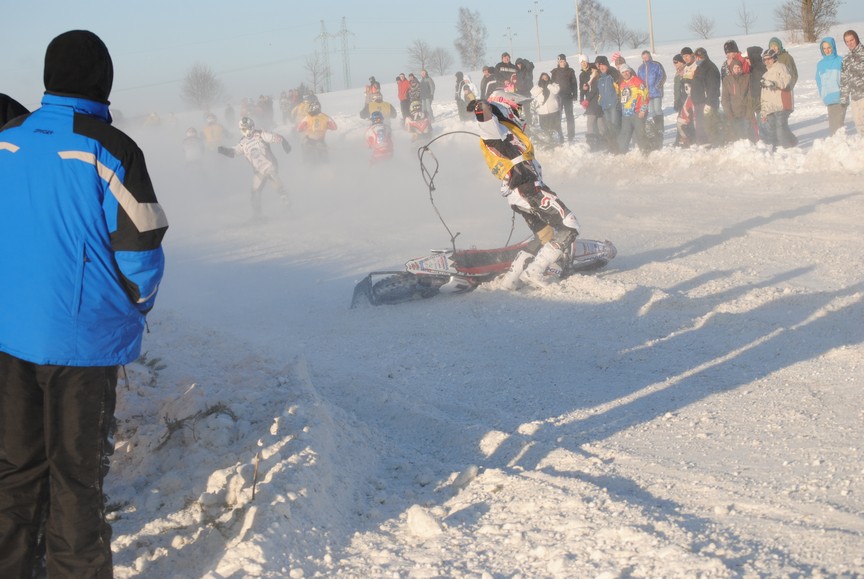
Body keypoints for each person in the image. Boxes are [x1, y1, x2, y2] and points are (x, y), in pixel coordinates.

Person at [0, 30, 168, 579]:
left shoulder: (8, 139)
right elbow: (141, 245)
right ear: (103, 80)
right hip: (81, 344)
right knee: (76, 477)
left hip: (8, 335)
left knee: (15, 470)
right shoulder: (110, 148)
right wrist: (135, 306)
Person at [466, 98, 581, 290]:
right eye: (516, 109)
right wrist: (483, 107)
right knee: (570, 224)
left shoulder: (507, 131)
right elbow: (484, 118)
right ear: (504, 109)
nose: (520, 114)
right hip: (527, 188)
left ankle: (510, 280)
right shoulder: (496, 129)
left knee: (545, 234)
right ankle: (534, 271)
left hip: (520, 191)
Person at [218, 116, 292, 216]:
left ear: (252, 126)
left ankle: (288, 205)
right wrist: (224, 150)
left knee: (273, 179)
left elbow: (275, 137)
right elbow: (234, 152)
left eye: (249, 127)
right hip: (258, 171)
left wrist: (284, 143)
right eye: (244, 129)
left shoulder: (261, 134)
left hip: (269, 165)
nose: (247, 130)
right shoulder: (242, 143)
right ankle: (257, 216)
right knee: (254, 193)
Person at [759, 48, 796, 151]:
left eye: (769, 59)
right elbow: (764, 96)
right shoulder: (765, 75)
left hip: (781, 105)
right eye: (765, 59)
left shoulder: (781, 67)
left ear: (774, 58)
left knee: (780, 129)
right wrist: (763, 112)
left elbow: (786, 80)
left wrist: (774, 84)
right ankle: (776, 152)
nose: (767, 61)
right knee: (772, 131)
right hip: (770, 108)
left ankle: (788, 150)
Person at [768, 37, 798, 145]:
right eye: (771, 46)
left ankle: (788, 143)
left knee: (782, 122)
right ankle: (789, 141)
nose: (774, 48)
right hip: (774, 95)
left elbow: (794, 74)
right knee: (779, 122)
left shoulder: (786, 57)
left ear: (779, 46)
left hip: (785, 92)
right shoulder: (769, 59)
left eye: (775, 46)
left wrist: (788, 87)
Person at [816, 37, 847, 135]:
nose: (827, 50)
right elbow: (818, 80)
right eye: (824, 48)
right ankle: (838, 146)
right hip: (829, 99)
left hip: (840, 97)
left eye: (829, 47)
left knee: (837, 127)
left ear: (833, 47)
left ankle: (840, 146)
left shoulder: (841, 60)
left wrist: (844, 94)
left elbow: (847, 78)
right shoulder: (820, 64)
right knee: (833, 126)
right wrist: (823, 94)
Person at [690, 47, 722, 146]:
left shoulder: (710, 68)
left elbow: (713, 87)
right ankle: (702, 144)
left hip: (706, 102)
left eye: (698, 57)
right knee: (700, 126)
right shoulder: (700, 67)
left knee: (707, 126)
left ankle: (709, 145)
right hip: (699, 102)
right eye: (696, 57)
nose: (697, 59)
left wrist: (709, 103)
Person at [637, 50, 666, 150]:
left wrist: (658, 85)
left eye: (647, 56)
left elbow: (661, 75)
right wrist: (641, 89)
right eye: (643, 57)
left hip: (656, 92)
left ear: (649, 56)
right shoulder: (640, 68)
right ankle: (656, 129)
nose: (645, 58)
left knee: (658, 109)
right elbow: (639, 80)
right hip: (647, 94)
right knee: (652, 111)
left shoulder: (656, 65)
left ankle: (660, 127)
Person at [617, 64, 649, 154]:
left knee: (640, 134)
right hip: (626, 114)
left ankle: (646, 153)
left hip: (637, 112)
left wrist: (643, 110)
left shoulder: (638, 81)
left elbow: (645, 96)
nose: (625, 73)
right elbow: (623, 100)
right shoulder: (622, 84)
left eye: (627, 71)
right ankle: (622, 153)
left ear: (630, 71)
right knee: (624, 134)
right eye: (623, 72)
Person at [721, 59, 755, 142]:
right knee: (735, 137)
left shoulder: (747, 78)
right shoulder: (727, 80)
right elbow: (725, 98)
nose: (737, 70)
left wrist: (749, 113)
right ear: (732, 69)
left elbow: (750, 96)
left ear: (742, 68)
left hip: (745, 112)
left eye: (739, 67)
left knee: (747, 137)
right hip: (733, 113)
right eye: (735, 68)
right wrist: (729, 114)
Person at [595, 55, 621, 153]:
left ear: (607, 65)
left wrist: (617, 100)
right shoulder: (600, 79)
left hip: (613, 105)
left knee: (614, 125)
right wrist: (600, 102)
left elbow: (618, 89)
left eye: (604, 65)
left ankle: (617, 146)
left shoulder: (612, 76)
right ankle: (611, 146)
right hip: (605, 106)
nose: (602, 67)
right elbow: (600, 93)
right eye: (600, 66)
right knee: (609, 126)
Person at [840, 30, 864, 135]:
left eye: (851, 40)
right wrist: (844, 97)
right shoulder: (846, 58)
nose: (850, 43)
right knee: (859, 124)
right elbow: (844, 79)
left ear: (856, 38)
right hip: (854, 97)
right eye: (847, 41)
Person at [550, 53, 578, 142]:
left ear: (566, 61)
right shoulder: (554, 72)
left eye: (564, 61)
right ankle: (559, 134)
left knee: (569, 116)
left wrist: (575, 95)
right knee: (558, 117)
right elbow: (552, 85)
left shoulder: (570, 71)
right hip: (558, 97)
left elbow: (574, 83)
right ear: (558, 62)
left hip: (568, 96)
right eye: (561, 61)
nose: (562, 62)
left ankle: (571, 135)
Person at [530, 71, 562, 144]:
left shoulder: (553, 84)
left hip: (553, 110)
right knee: (545, 129)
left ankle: (560, 142)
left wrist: (548, 85)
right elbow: (533, 93)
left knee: (556, 128)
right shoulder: (538, 86)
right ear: (540, 78)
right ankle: (548, 143)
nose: (545, 79)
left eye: (546, 77)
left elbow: (556, 91)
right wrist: (542, 87)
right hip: (542, 112)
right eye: (543, 78)